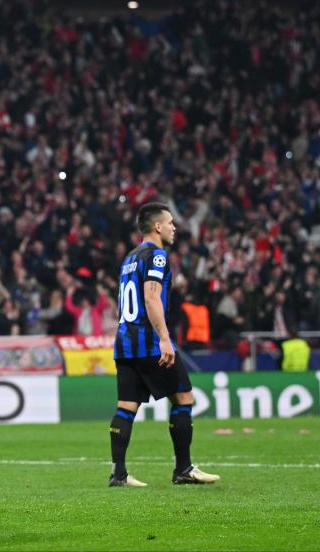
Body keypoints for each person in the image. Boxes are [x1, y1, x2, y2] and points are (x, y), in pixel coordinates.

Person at [109, 203, 220, 487]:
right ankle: (183, 469)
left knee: (126, 406)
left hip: (125, 343)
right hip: (149, 343)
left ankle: (118, 474)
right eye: (170, 222)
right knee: (183, 397)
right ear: (157, 226)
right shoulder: (157, 256)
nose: (174, 227)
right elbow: (151, 297)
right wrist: (165, 339)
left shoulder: (130, 258)